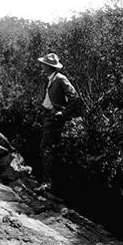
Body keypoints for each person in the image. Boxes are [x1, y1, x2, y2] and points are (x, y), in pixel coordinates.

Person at [34, 53, 80, 193]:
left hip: (54, 118)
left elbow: (75, 97)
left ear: (49, 66)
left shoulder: (60, 79)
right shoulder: (50, 79)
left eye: (44, 64)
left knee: (46, 148)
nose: (41, 66)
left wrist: (63, 114)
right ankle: (48, 182)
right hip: (46, 116)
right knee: (47, 148)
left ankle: (47, 183)